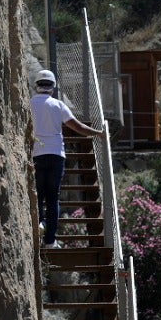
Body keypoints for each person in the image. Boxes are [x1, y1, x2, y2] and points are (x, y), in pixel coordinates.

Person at [30, 69, 103, 250]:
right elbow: (77, 126)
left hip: (37, 153)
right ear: (53, 87)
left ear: (36, 86)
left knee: (38, 194)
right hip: (56, 155)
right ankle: (50, 241)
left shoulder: (29, 103)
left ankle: (39, 223)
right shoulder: (58, 105)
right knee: (53, 198)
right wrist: (98, 133)